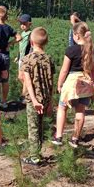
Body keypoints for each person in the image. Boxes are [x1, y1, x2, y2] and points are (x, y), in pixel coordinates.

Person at [52, 21, 94, 148]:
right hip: (86, 82)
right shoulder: (93, 51)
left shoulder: (71, 50)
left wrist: (59, 84)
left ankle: (59, 136)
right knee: (80, 111)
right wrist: (92, 83)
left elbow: (64, 70)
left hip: (72, 82)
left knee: (62, 107)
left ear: (77, 35)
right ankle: (75, 138)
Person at [21, 27, 55, 165]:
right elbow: (51, 81)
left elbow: (28, 81)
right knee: (40, 126)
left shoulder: (27, 59)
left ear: (31, 41)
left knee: (33, 127)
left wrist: (34, 100)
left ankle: (34, 156)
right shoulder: (49, 58)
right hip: (46, 97)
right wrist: (51, 101)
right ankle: (38, 151)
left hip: (33, 99)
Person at [0, 5, 21, 107]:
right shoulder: (8, 28)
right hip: (5, 55)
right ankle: (4, 101)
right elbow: (19, 37)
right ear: (6, 17)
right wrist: (10, 44)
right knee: (5, 80)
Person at [17, 13, 33, 98]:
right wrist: (18, 56)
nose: (22, 25)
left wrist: (28, 57)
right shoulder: (22, 33)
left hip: (26, 58)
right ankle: (30, 89)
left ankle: (24, 95)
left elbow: (31, 47)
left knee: (24, 76)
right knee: (20, 77)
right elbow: (21, 47)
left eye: (24, 24)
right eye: (21, 24)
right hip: (21, 58)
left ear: (30, 24)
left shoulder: (31, 34)